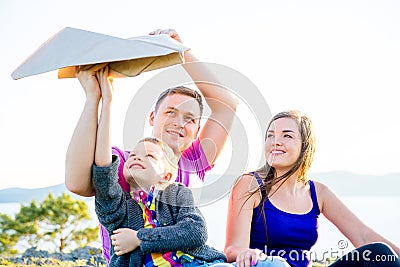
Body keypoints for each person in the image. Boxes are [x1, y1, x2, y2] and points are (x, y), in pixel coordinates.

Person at [65, 29, 238, 263]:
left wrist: (181, 51)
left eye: (190, 119)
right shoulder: (127, 162)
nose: (179, 123)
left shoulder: (194, 161)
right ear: (152, 118)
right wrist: (93, 99)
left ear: (197, 130)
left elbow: (227, 105)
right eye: (170, 113)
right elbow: (76, 183)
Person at [224, 110, 400, 267]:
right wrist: (250, 255)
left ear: (305, 146)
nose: (275, 141)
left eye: (287, 136)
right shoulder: (250, 184)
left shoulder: (319, 193)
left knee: (379, 253)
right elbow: (233, 249)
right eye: (270, 135)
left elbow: (363, 236)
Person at [92, 97, 229, 266]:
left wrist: (139, 239)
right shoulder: (118, 208)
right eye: (133, 155)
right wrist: (106, 104)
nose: (137, 158)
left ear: (166, 176)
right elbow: (103, 173)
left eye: (149, 156)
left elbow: (195, 231)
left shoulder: (178, 193)